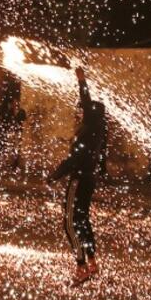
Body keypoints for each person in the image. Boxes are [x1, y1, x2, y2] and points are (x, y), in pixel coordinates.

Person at [49, 67, 107, 286]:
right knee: (83, 220)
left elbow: (74, 160)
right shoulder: (97, 129)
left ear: (90, 114)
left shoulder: (89, 129)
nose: (79, 112)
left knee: (70, 223)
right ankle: (92, 262)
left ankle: (81, 266)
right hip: (88, 178)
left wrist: (55, 175)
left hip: (80, 178)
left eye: (83, 110)